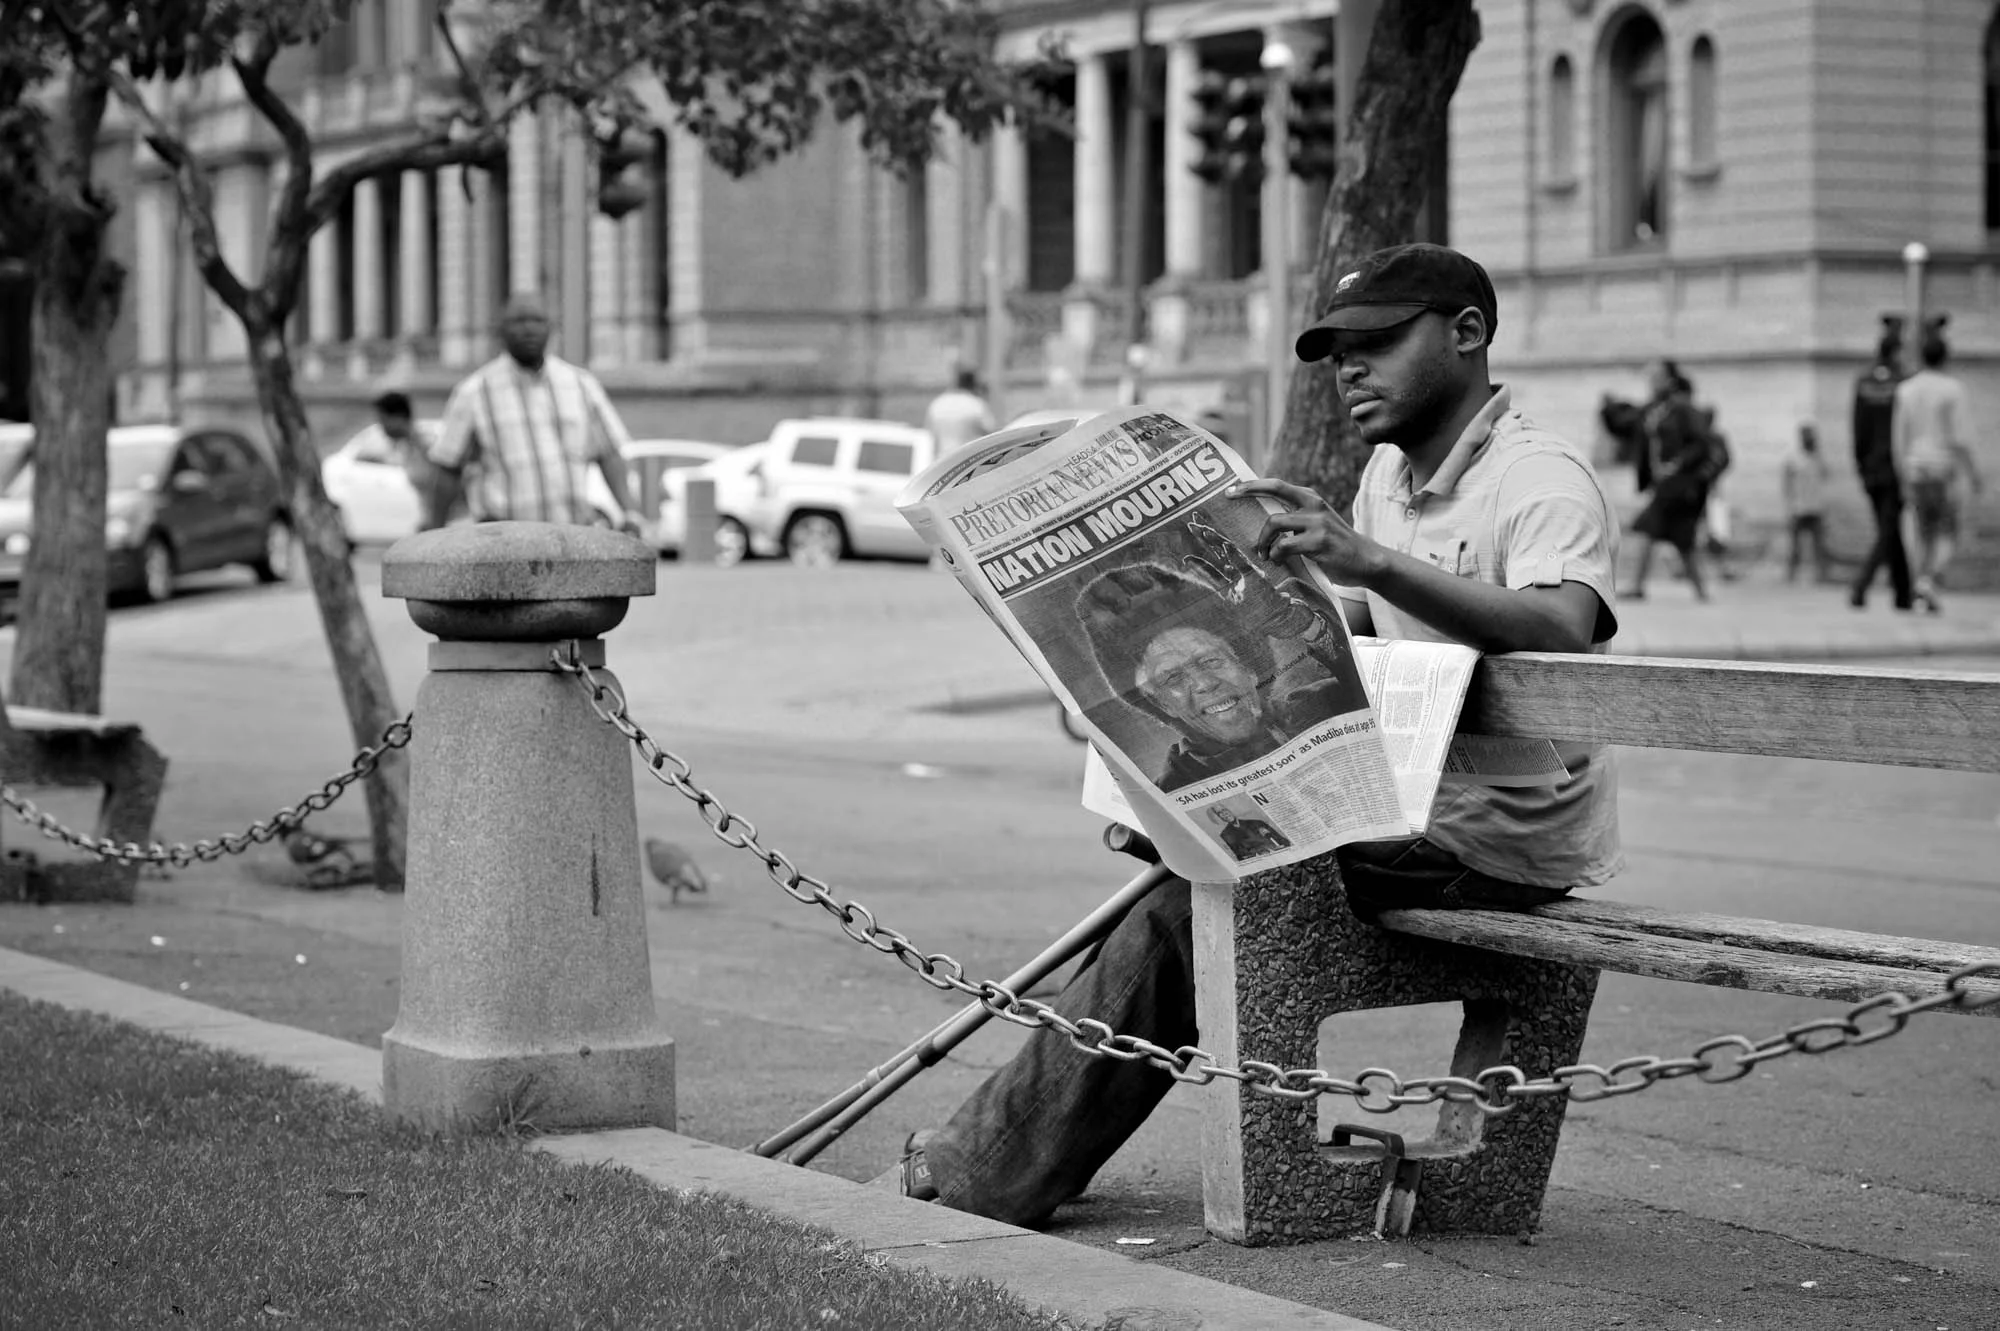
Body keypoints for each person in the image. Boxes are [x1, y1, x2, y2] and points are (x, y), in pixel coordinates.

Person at [879, 243, 1622, 1225]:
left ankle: (992, 1164)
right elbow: (1355, 641)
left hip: (1502, 831)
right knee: (1193, 857)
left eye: (1376, 342)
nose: (1349, 367)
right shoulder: (1388, 482)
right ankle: (993, 1157)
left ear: (1467, 332)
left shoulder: (1536, 475)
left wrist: (1372, 562)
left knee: (1191, 902)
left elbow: (1563, 624)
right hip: (1415, 804)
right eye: (1335, 351)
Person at [1073, 561, 1354, 791]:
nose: (1205, 683)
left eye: (1210, 660)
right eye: (1172, 678)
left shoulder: (1329, 701)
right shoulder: (1173, 792)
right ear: (1161, 704)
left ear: (1248, 667)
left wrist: (1308, 625)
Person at [427, 294, 641, 533]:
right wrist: (434, 532)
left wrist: (630, 512)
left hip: (572, 538)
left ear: (551, 327)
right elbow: (447, 468)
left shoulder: (581, 385)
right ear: (501, 330)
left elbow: (609, 453)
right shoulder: (474, 392)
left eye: (537, 320)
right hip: (502, 543)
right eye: (518, 321)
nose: (528, 329)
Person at [1894, 329, 1985, 613]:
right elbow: (1961, 438)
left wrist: (1902, 474)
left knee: (1920, 531)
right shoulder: (1952, 389)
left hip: (1915, 468)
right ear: (1946, 357)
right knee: (1947, 532)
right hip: (1943, 470)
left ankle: (1921, 582)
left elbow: (1899, 438)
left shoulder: (1905, 389)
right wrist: (1974, 473)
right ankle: (1928, 581)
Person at [1622, 360, 1714, 602]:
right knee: (1682, 539)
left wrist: (1677, 464)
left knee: (1646, 529)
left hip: (1678, 485)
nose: (1652, 381)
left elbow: (1701, 443)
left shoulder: (1683, 409)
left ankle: (1637, 586)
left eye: (1658, 376)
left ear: (1671, 380)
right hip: (1663, 486)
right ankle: (1701, 592)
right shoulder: (1655, 410)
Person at [1849, 328, 1915, 611]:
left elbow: (1858, 428)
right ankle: (1860, 585)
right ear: (1896, 351)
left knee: (1889, 528)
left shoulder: (1863, 380)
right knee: (1888, 529)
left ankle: (1903, 593)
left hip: (1871, 467)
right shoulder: (1904, 382)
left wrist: (1860, 466)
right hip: (1894, 467)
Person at [1781, 422, 1832, 584]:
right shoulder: (1793, 458)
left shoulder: (1817, 457)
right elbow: (1786, 483)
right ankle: (1791, 575)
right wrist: (1788, 505)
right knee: (1795, 546)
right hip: (1799, 507)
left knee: (1819, 545)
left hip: (1816, 507)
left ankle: (1821, 575)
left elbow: (1826, 474)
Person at [922, 368, 998, 455]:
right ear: (974, 384)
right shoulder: (976, 404)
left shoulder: (938, 403)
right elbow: (992, 434)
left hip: (942, 459)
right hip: (967, 461)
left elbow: (928, 434)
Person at [1210, 805, 1291, 860]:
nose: (1225, 814)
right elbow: (1240, 856)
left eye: (1224, 810)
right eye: (1220, 813)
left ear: (1230, 810)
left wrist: (1280, 847)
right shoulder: (1225, 835)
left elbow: (1283, 841)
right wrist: (1259, 853)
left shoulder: (1257, 822)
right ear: (1218, 818)